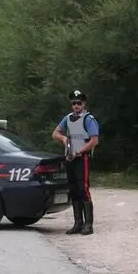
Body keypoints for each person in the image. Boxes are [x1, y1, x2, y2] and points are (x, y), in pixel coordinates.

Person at [52, 90, 100, 235]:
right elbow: (55, 133)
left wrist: (80, 151)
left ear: (84, 104)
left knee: (83, 188)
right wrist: (64, 139)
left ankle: (88, 224)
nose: (76, 106)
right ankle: (78, 223)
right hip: (70, 158)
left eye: (79, 103)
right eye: (74, 103)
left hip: (82, 158)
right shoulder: (67, 118)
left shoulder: (89, 119)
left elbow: (94, 140)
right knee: (73, 189)